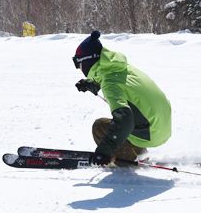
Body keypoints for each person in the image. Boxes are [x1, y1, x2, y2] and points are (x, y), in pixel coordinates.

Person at [72, 30, 172, 166]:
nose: (79, 69)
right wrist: (91, 85)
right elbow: (119, 85)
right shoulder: (121, 67)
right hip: (161, 127)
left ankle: (127, 159)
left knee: (100, 126)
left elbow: (125, 119)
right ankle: (140, 152)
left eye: (79, 65)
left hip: (150, 133)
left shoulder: (110, 83)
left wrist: (104, 151)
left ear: (88, 61)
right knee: (123, 120)